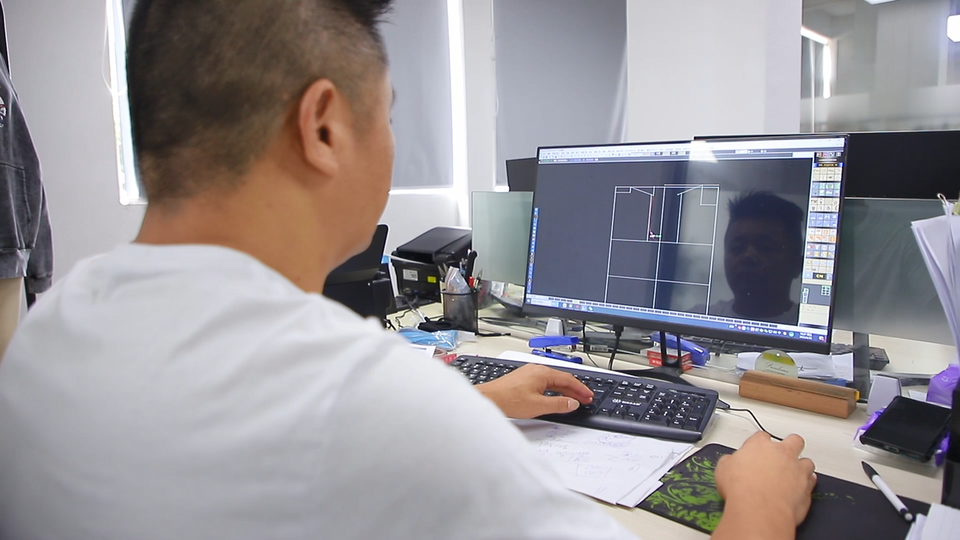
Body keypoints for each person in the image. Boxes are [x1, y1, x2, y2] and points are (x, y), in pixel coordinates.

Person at [0, 1, 815, 538]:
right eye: (387, 116)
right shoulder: (368, 404)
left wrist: (476, 403)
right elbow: (354, 431)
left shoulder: (49, 334)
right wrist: (762, 501)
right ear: (323, 127)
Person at [710, 192, 805, 324]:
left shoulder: (811, 325)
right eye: (737, 248)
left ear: (796, 264)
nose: (748, 256)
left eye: (766, 247)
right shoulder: (696, 320)